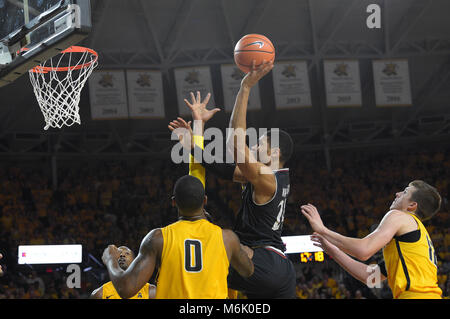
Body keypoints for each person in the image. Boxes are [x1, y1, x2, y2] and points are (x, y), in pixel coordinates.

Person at [168, 60, 296, 298]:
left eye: (260, 143)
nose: (254, 145)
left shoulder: (267, 178)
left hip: (264, 260)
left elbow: (234, 144)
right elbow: (217, 166)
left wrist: (245, 88)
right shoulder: (262, 177)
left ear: (275, 152)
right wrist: (197, 127)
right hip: (273, 266)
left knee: (211, 255)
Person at [102, 175, 254, 299]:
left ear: (174, 202)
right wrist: (239, 252)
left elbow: (126, 288)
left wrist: (111, 260)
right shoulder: (227, 238)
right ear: (205, 201)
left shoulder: (157, 238)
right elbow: (248, 271)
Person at [301, 180, 443, 299]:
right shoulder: (416, 239)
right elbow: (371, 277)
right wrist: (333, 250)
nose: (397, 193)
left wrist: (323, 230)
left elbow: (363, 250)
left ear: (412, 205)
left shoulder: (399, 216)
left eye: (405, 192)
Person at [91, 246, 155, 299]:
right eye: (119, 253)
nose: (122, 255)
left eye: (127, 253)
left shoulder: (150, 291)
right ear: (113, 259)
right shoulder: (99, 294)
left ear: (134, 261)